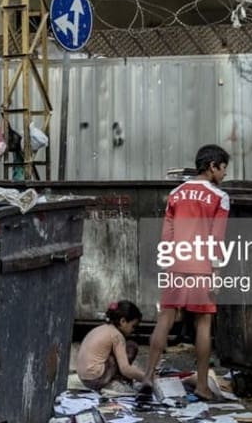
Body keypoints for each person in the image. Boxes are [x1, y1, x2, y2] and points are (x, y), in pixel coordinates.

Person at [144, 144, 230, 401]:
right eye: (223, 168)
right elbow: (217, 238)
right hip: (201, 266)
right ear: (213, 166)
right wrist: (216, 272)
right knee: (203, 325)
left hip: (175, 265)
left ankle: (148, 374)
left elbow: (167, 237)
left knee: (164, 320)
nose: (225, 174)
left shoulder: (176, 193)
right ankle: (202, 385)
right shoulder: (219, 197)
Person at [76, 300, 146, 392]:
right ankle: (117, 382)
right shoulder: (117, 336)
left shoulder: (103, 328)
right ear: (123, 321)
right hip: (96, 378)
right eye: (133, 326)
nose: (133, 330)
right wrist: (147, 377)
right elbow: (125, 369)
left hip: (84, 378)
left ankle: (117, 380)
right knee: (131, 347)